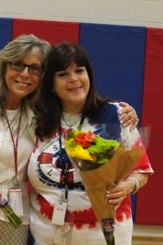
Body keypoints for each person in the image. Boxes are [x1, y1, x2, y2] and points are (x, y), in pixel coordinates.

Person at [0, 35, 138, 245]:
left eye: (34, 68)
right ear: (3, 67)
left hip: (14, 221)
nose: (25, 74)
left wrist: (124, 113)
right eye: (18, 65)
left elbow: (83, 109)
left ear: (43, 77)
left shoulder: (41, 116)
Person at [28, 42, 153, 245]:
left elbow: (143, 170)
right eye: (62, 74)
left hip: (105, 234)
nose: (74, 79)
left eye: (79, 71)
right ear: (50, 84)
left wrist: (128, 186)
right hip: (47, 234)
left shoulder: (117, 115)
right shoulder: (36, 120)